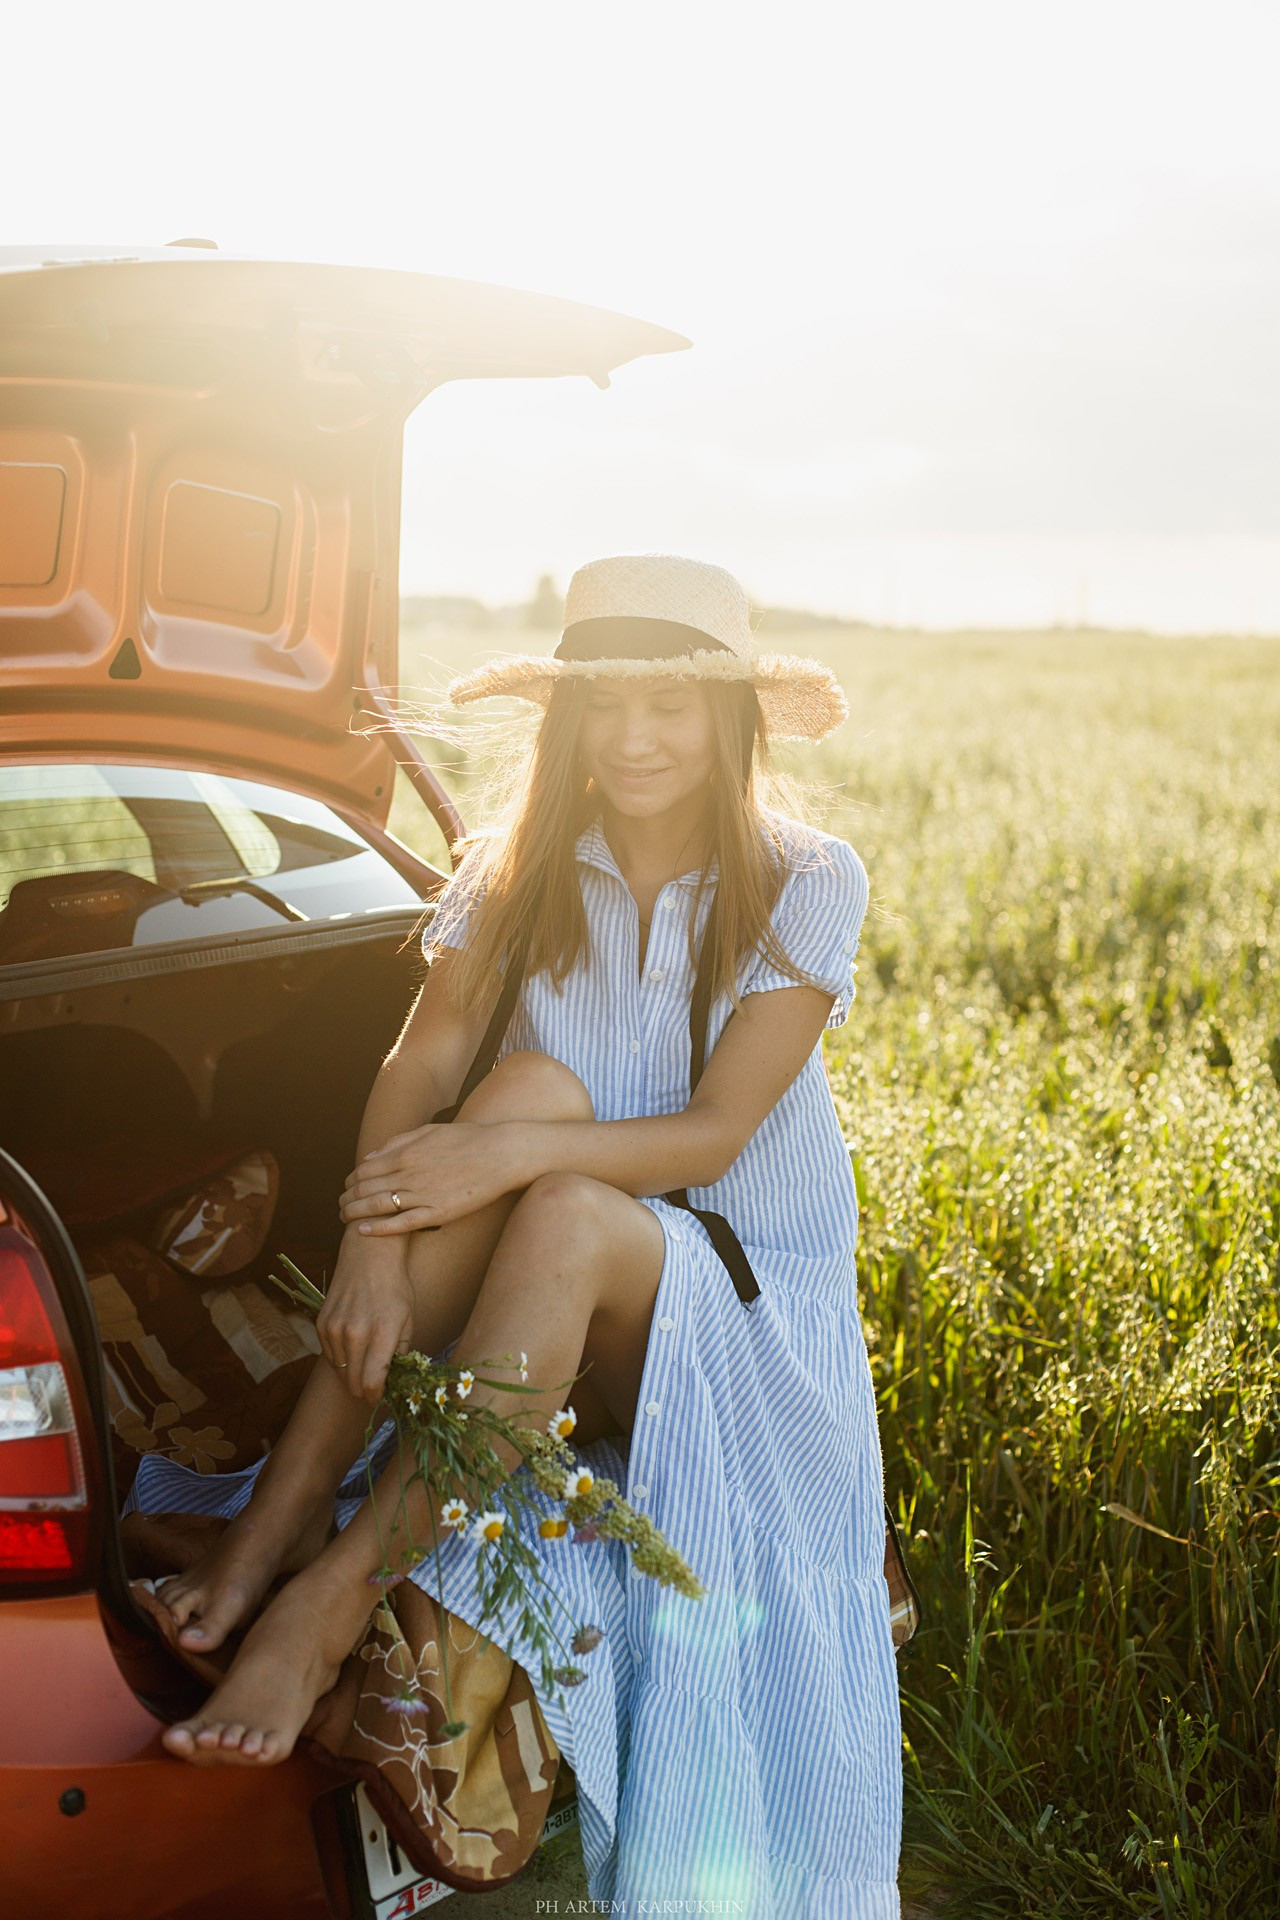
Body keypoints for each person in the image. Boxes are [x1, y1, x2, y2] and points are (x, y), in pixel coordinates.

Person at [127, 553, 904, 1918]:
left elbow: (714, 1137)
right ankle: (270, 1535)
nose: (633, 738)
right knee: (530, 1087)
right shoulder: (521, 866)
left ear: (731, 721)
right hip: (578, 1267)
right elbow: (419, 1072)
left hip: (746, 1314)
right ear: (564, 720)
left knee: (548, 1176)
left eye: (670, 704)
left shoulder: (804, 876)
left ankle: (320, 1604)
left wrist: (503, 1155)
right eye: (601, 704)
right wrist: (374, 1240)